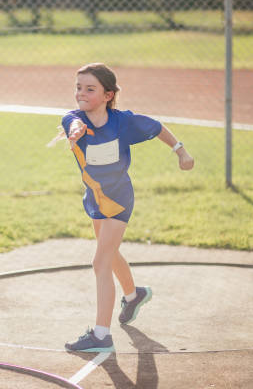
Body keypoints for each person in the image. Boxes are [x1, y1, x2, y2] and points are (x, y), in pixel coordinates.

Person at [61, 63, 194, 352]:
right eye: (78, 87)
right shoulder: (72, 118)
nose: (81, 93)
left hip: (120, 198)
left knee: (100, 262)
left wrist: (180, 151)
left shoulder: (124, 123)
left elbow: (158, 128)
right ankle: (134, 296)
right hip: (95, 198)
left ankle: (100, 335)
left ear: (108, 95)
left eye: (90, 89)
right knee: (109, 252)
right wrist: (75, 130)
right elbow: (72, 125)